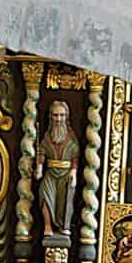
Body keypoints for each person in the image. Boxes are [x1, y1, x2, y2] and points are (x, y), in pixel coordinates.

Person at [34, 100, 79, 237]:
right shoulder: (47, 136)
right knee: (45, 195)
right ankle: (47, 225)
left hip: (66, 173)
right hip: (50, 173)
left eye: (61, 115)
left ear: (66, 117)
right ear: (51, 117)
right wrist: (39, 168)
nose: (58, 119)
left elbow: (75, 155)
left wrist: (74, 171)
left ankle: (63, 225)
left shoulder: (71, 137)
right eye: (55, 116)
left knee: (64, 201)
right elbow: (41, 152)